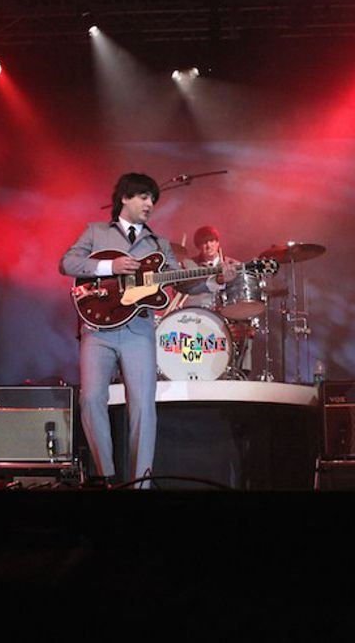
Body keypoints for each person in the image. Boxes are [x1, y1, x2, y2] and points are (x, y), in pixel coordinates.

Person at [60, 174, 231, 487]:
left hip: (138, 330)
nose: (150, 204)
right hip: (98, 330)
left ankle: (141, 483)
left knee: (143, 407)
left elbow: (182, 282)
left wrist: (215, 279)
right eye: (143, 197)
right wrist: (110, 267)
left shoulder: (158, 244)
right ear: (124, 198)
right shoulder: (96, 232)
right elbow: (68, 263)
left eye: (152, 199)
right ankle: (104, 477)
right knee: (91, 399)